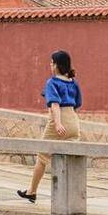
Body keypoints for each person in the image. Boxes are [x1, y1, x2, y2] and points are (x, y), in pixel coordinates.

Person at [17, 50, 82, 203]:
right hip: (73, 120)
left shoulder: (52, 82)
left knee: (42, 157)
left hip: (58, 121)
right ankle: (74, 196)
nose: (50, 65)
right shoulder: (74, 82)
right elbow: (78, 104)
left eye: (52, 63)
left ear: (57, 65)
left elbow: (55, 105)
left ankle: (32, 191)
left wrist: (58, 123)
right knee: (72, 157)